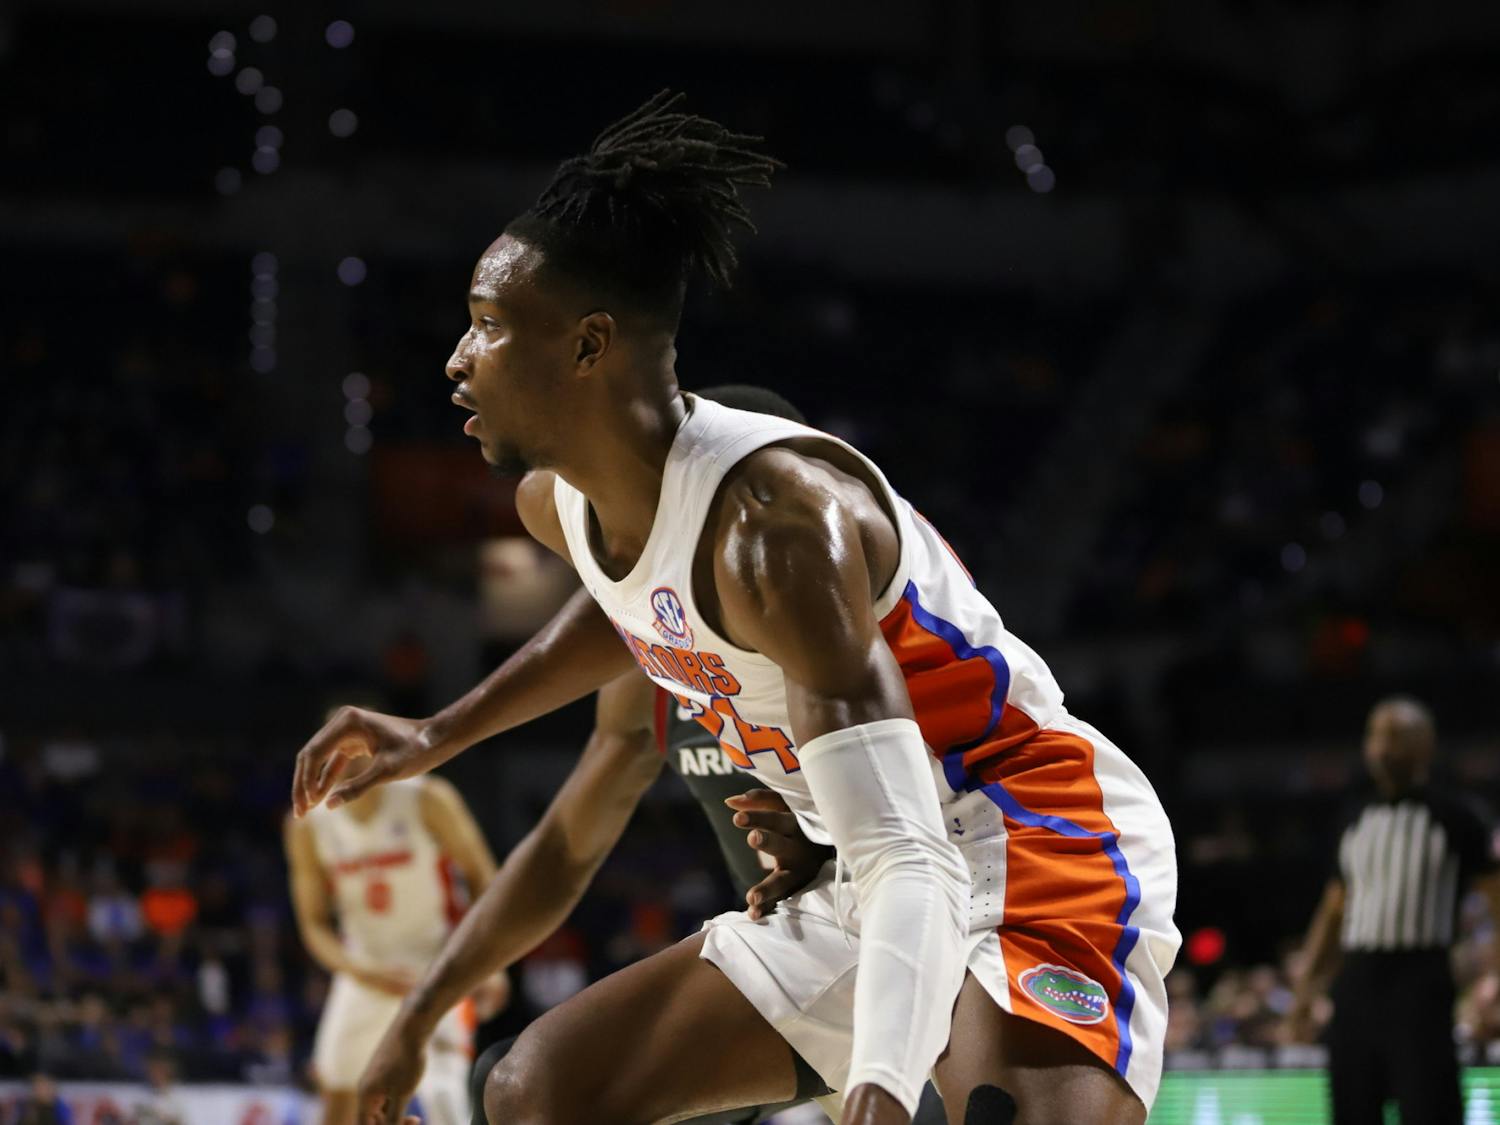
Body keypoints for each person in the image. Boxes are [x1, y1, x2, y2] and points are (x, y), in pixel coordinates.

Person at [292, 90, 1179, 1125]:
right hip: (869, 866)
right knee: (538, 1092)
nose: (455, 358)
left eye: (487, 327)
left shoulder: (777, 531)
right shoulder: (561, 504)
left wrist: (883, 1088)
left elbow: (913, 855)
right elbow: (630, 606)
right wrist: (437, 733)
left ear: (588, 346)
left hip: (1021, 831)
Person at [355, 385, 948, 1125]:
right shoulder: (654, 666)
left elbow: (931, 836)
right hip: (788, 975)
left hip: (908, 955)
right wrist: (418, 1015)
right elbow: (565, 848)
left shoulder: (862, 646)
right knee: (520, 1086)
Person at [1289, 696, 1500, 1125]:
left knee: (1429, 1107)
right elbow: (1332, 912)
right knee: (1352, 1107)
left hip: (1421, 981)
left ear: (1425, 745)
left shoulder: (1457, 818)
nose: (1383, 748)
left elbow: (1497, 902)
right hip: (1355, 982)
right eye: (1376, 736)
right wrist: (1305, 989)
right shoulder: (1353, 820)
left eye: (1396, 737)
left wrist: (1492, 981)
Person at [284, 772, 505, 1125]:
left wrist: (491, 962)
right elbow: (314, 926)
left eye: (358, 752)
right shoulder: (309, 823)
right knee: (338, 1091)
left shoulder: (428, 796)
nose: (350, 764)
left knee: (444, 1095)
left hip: (438, 961)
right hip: (364, 967)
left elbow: (484, 877)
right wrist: (360, 971)